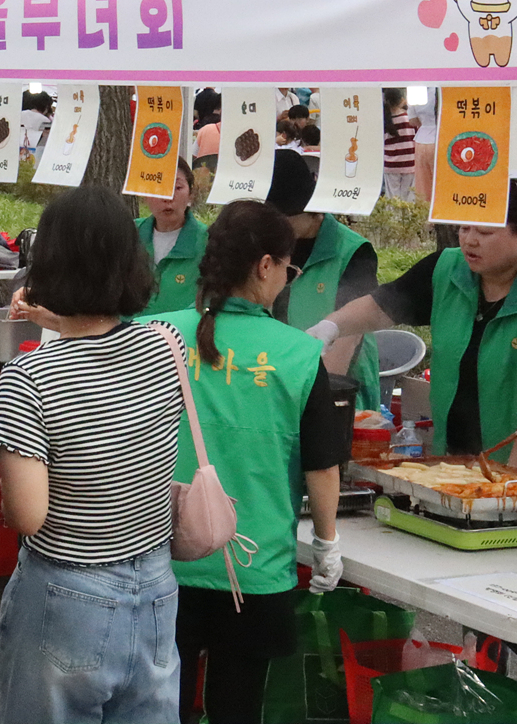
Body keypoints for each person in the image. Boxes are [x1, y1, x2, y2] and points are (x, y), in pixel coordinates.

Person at [0, 187, 186, 721]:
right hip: (158, 586)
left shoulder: (29, 378)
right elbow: (107, 338)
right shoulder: (166, 345)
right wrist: (62, 320)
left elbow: (28, 515)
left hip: (68, 592)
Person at [158, 198, 349, 724]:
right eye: (288, 269)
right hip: (253, 564)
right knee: (236, 705)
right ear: (266, 265)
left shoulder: (158, 333)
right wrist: (327, 543)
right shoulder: (298, 354)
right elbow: (322, 466)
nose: (287, 280)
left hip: (160, 555)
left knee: (157, 702)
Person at [309, 179, 517, 481]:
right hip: (456, 467)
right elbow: (382, 306)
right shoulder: (446, 269)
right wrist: (332, 325)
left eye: (485, 231)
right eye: (463, 229)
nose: (469, 240)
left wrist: (510, 489)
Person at [264, 149, 381, 406]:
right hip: (274, 391)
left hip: (337, 397)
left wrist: (312, 401)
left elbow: (347, 340)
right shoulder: (269, 246)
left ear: (311, 209)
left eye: (282, 218)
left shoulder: (353, 253)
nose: (272, 227)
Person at [132, 157, 209, 317]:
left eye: (177, 187)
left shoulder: (208, 241)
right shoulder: (128, 234)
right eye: (158, 188)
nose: (167, 197)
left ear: (191, 194)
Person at [382, 88, 421, 202]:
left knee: (392, 198)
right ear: (402, 100)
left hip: (391, 165)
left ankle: (393, 219)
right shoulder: (409, 119)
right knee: (408, 198)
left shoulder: (384, 121)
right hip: (409, 163)